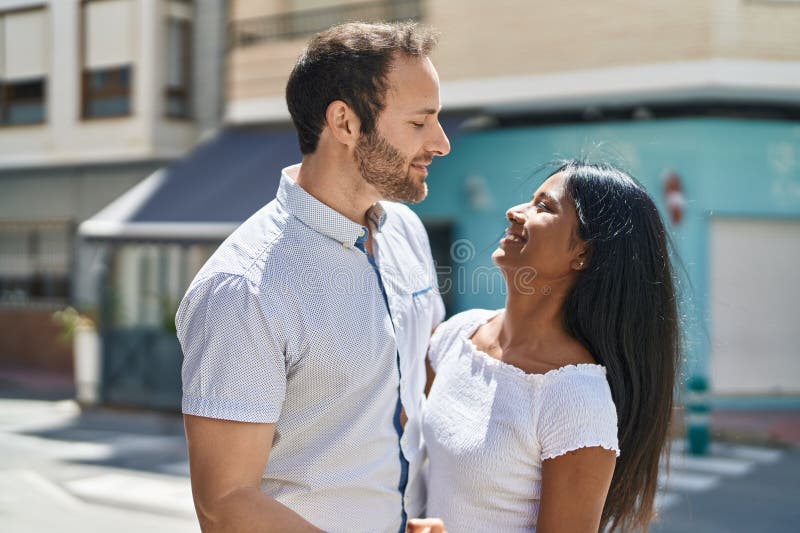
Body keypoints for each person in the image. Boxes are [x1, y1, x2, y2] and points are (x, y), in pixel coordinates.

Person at [175, 22, 450, 533]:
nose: (441, 142)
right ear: (344, 122)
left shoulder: (406, 232)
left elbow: (406, 396)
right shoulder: (243, 289)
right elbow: (226, 502)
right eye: (420, 122)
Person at [419, 161, 680, 532]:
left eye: (544, 207)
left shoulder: (574, 398)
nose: (514, 212)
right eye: (530, 200)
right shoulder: (458, 333)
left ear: (584, 254)